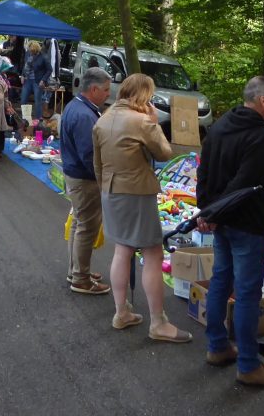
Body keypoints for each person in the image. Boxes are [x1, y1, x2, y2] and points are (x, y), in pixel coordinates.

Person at [197, 75, 264, 387]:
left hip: (222, 220)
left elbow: (203, 173)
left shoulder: (220, 125)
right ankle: (249, 365)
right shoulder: (260, 136)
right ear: (262, 100)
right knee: (247, 292)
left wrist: (208, 211)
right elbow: (246, 184)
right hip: (245, 223)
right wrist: (211, 213)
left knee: (222, 279)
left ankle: (218, 346)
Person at [94, 74, 187, 341]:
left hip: (110, 191)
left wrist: (106, 189)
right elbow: (165, 152)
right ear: (144, 95)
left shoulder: (103, 119)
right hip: (136, 192)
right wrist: (155, 123)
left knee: (122, 250)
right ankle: (158, 322)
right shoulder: (142, 121)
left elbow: (97, 164)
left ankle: (121, 311)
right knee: (153, 254)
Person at [60, 66, 112, 296]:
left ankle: (76, 271)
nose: (108, 94)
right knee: (87, 228)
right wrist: (105, 178)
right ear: (93, 89)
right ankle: (80, 277)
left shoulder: (77, 107)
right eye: (106, 90)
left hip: (76, 174)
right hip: (84, 178)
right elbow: (90, 156)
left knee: (80, 225)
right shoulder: (83, 115)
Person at [21, 41, 51, 120]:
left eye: (32, 51)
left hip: (37, 81)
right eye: (30, 51)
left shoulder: (43, 57)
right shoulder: (28, 53)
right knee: (23, 100)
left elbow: (49, 70)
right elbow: (25, 65)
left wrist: (43, 80)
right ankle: (26, 120)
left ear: (36, 50)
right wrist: (22, 75)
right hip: (27, 80)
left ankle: (38, 121)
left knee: (38, 102)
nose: (31, 53)